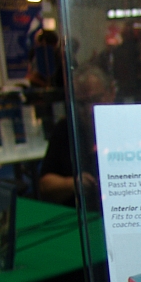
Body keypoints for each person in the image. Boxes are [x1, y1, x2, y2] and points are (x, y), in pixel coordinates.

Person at [39, 65, 114, 207]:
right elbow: (45, 184)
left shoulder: (127, 125)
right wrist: (73, 184)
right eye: (82, 103)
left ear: (111, 93)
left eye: (96, 99)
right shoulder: (65, 129)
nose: (89, 109)